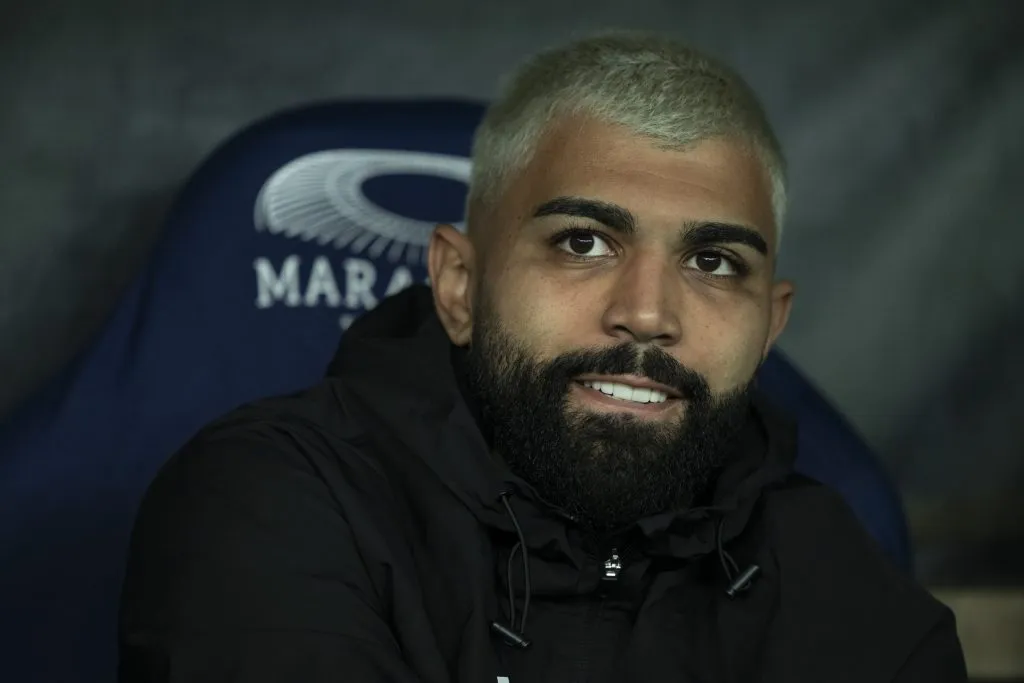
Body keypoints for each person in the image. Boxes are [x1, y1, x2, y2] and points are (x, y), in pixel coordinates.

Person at [118, 31, 967, 682]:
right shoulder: (276, 501)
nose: (646, 313)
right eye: (584, 242)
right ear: (459, 284)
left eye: (713, 263)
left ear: (769, 326)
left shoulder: (839, 580)